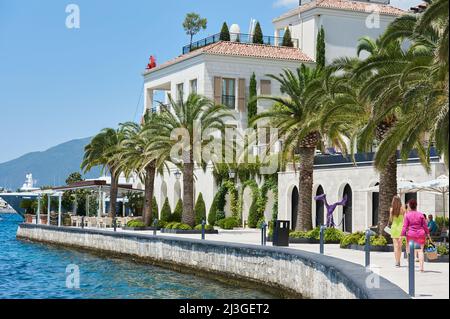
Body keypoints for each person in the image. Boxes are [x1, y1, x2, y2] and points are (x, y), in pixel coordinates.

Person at [402, 199, 432, 272]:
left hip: (411, 234)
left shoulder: (407, 215)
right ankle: (421, 268)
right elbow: (425, 226)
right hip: (420, 234)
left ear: (409, 206)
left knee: (409, 250)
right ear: (416, 206)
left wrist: (402, 235)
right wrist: (428, 234)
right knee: (420, 251)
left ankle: (410, 267)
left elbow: (405, 227)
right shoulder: (421, 215)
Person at [389, 196, 406, 267]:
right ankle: (399, 261)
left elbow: (391, 220)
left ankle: (397, 262)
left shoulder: (391, 209)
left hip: (394, 228)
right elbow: (405, 220)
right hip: (401, 228)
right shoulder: (403, 209)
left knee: (395, 246)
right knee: (400, 246)